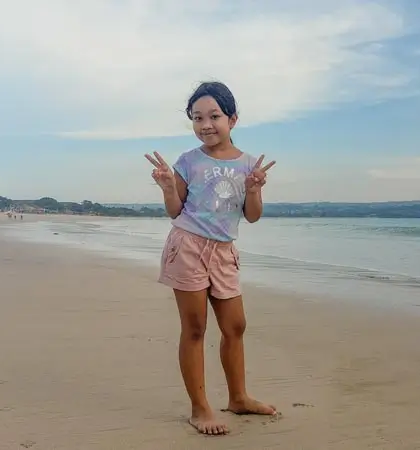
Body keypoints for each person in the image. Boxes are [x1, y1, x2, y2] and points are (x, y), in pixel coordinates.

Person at [144, 81, 277, 436]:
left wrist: (255, 191)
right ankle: (200, 408)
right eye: (197, 117)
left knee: (235, 326)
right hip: (187, 246)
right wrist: (169, 188)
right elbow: (175, 210)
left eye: (214, 116)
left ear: (232, 118)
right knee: (195, 328)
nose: (206, 124)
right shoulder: (188, 161)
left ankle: (238, 397)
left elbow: (251, 215)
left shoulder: (248, 164)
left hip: (223, 251)